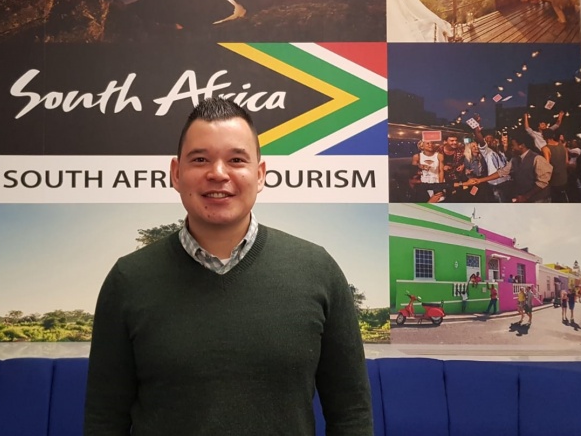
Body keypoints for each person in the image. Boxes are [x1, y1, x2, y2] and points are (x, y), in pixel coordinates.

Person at [84, 98, 373, 436]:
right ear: (176, 173)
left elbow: (351, 414)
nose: (218, 174)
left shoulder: (317, 270)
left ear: (260, 174)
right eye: (200, 159)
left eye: (236, 160)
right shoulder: (128, 280)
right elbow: (104, 420)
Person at [465, 134, 553, 203]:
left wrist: (526, 196)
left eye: (513, 145)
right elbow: (502, 172)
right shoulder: (515, 159)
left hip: (539, 200)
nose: (512, 148)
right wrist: (480, 180)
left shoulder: (538, 159)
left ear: (521, 146)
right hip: (526, 199)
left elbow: (542, 182)